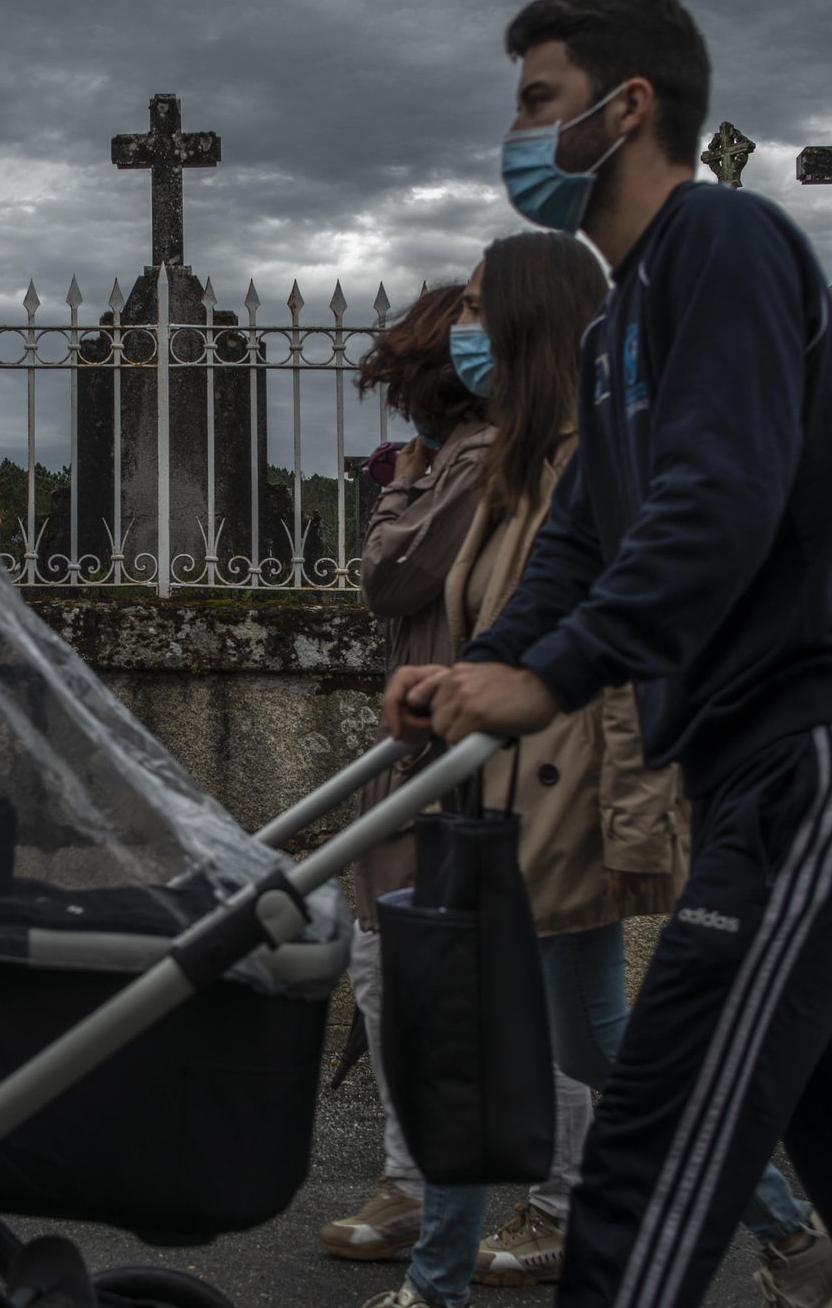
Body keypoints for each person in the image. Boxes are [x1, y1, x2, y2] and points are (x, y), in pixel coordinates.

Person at [384, 0, 832, 1308]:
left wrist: (552, 672)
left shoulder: (724, 240)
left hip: (817, 749)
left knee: (654, 1150)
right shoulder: (620, 319)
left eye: (539, 100)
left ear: (629, 108)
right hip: (752, 763)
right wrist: (484, 659)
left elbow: (714, 502)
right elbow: (585, 540)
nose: (519, 131)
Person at [363, 235, 832, 1308]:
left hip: (556, 800)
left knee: (477, 1035)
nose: (461, 331)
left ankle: (432, 1288)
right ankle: (794, 1236)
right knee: (589, 1045)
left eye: (482, 309)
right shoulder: (514, 458)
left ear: (538, 322)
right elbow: (501, 631)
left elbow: (627, 665)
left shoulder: (593, 465)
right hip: (499, 791)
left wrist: (633, 831)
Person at [320, 281, 601, 1271]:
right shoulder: (475, 456)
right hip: (432, 746)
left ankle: (569, 1204)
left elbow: (389, 578)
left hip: (469, 756)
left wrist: (398, 481)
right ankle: (411, 1184)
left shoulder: (479, 459)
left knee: (484, 1006)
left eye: (402, 376)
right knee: (386, 971)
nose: (395, 400)